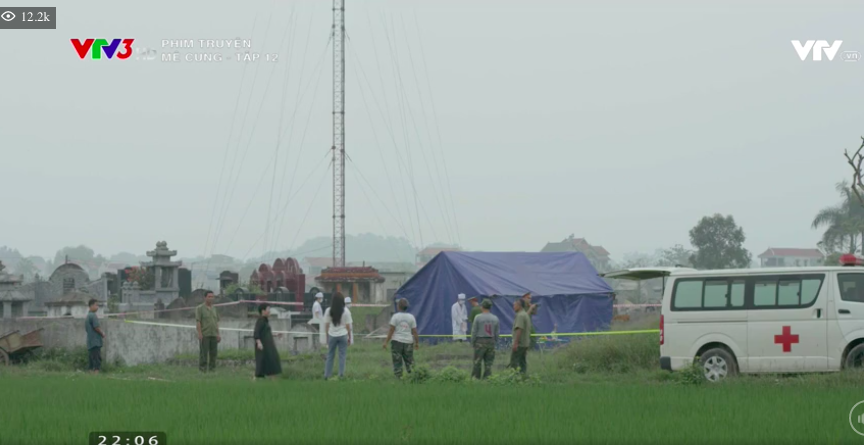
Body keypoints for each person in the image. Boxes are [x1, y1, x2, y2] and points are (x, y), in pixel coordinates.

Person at [383, 298, 419, 378]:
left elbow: (391, 330)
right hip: (408, 342)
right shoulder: (411, 317)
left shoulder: (395, 317)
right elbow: (415, 332)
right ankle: (413, 377)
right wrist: (417, 343)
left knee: (397, 362)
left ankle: (399, 378)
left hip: (397, 342)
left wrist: (386, 342)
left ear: (399, 306)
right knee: (410, 362)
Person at [323, 292, 352, 380]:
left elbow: (326, 325)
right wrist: (349, 337)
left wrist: (327, 336)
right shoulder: (346, 311)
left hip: (332, 334)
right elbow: (348, 326)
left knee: (330, 355)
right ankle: (341, 375)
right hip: (343, 335)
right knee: (342, 356)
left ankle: (327, 375)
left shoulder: (328, 310)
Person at [471, 299, 499, 379]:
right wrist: (495, 341)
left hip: (480, 341)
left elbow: (474, 331)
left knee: (477, 362)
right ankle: (487, 378)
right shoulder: (495, 318)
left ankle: (476, 378)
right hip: (491, 341)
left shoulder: (478, 317)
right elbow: (496, 332)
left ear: (482, 307)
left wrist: (473, 342)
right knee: (488, 363)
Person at [253, 304, 282, 380]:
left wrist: (276, 334)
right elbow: (256, 333)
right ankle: (254, 381)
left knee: (271, 362)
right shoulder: (260, 320)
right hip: (262, 346)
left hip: (268, 346)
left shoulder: (265, 321)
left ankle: (273, 382)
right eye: (268, 309)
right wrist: (259, 343)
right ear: (263, 311)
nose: (269, 311)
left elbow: (266, 333)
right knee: (261, 364)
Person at [196, 291, 221, 373]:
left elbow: (216, 322)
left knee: (213, 353)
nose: (211, 298)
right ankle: (202, 370)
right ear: (205, 297)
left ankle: (212, 369)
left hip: (213, 334)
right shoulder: (200, 308)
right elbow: (198, 321)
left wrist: (218, 334)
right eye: (209, 296)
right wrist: (200, 334)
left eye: (212, 297)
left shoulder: (214, 309)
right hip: (205, 334)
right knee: (204, 353)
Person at [508, 298, 531, 375]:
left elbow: (519, 329)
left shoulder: (520, 315)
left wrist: (515, 343)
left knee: (514, 361)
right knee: (522, 361)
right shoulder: (525, 314)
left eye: (514, 305)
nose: (513, 307)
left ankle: (514, 377)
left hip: (520, 344)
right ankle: (523, 375)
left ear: (519, 306)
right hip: (525, 343)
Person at [85, 298, 105, 375]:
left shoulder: (87, 316)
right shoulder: (93, 316)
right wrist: (102, 333)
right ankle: (96, 374)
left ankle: (90, 373)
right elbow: (96, 327)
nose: (97, 307)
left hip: (90, 341)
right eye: (96, 305)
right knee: (97, 359)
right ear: (91, 306)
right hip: (95, 342)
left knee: (91, 359)